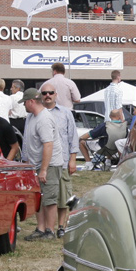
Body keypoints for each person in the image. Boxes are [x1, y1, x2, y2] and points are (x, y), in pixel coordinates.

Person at [20, 88, 62, 241]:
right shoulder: (31, 117)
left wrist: (43, 169)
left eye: (24, 102)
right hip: (34, 165)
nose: (23, 105)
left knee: (49, 198)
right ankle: (40, 228)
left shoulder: (44, 119)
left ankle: (50, 231)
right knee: (38, 198)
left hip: (49, 165)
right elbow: (28, 142)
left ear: (31, 101)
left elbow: (48, 145)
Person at [39, 83, 79, 237]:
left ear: (56, 94)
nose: (47, 95)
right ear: (40, 95)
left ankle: (61, 226)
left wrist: (73, 159)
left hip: (62, 161)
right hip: (44, 163)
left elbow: (72, 136)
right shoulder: (37, 114)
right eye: (44, 93)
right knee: (47, 197)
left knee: (64, 196)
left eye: (50, 93)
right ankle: (45, 228)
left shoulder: (65, 113)